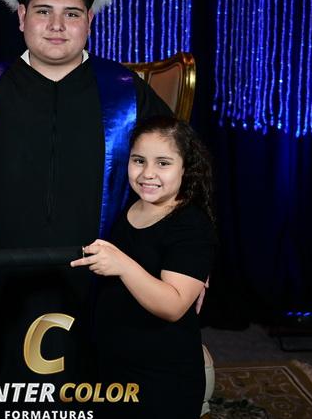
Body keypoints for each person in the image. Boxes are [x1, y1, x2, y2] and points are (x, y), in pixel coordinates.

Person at [0, 0, 173, 383]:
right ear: (21, 17)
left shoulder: (125, 91)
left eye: (72, 14)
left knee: (98, 389)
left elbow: (180, 175)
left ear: (89, 20)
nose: (57, 25)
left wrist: (187, 265)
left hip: (102, 269)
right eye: (43, 12)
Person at [71, 115, 216, 418]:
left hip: (160, 376)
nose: (148, 173)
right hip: (113, 366)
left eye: (163, 163)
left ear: (185, 167)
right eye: (139, 161)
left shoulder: (190, 224)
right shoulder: (132, 205)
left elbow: (173, 306)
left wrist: (123, 265)